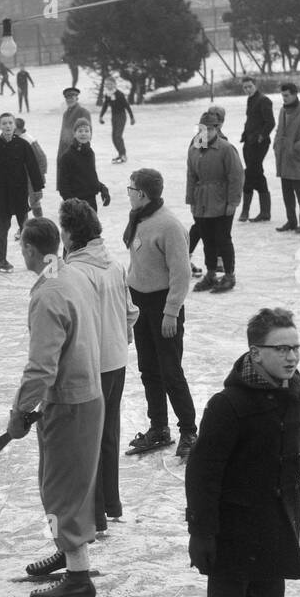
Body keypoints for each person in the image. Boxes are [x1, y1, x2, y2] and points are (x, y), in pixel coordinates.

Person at [185, 307, 300, 597]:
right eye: (281, 349)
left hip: (275, 528)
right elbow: (201, 474)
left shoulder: (294, 389)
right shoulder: (227, 405)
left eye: (296, 347)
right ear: (255, 353)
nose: (292, 356)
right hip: (232, 534)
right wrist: (201, 532)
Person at [6, 217, 103, 597]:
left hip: (68, 401)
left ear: (30, 250)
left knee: (61, 490)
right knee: (69, 484)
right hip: (88, 392)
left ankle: (78, 575)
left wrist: (18, 412)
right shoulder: (72, 273)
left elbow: (41, 368)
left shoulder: (48, 293)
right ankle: (68, 550)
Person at [60, 199, 137, 535]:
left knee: (85, 441)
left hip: (90, 364)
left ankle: (94, 513)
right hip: (116, 360)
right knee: (108, 434)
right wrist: (120, 337)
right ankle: (110, 503)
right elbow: (130, 311)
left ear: (70, 233)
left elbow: (72, 322)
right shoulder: (114, 264)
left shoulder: (75, 271)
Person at [123, 167, 196, 459]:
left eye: (130, 189)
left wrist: (171, 313)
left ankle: (189, 431)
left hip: (163, 306)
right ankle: (159, 427)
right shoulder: (140, 218)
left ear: (141, 193)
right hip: (141, 305)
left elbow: (182, 273)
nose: (127, 194)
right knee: (149, 370)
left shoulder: (169, 226)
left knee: (171, 372)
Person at [185, 109, 244, 295]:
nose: (206, 132)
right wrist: (191, 200)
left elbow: (236, 176)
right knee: (208, 240)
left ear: (217, 129)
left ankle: (229, 274)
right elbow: (191, 175)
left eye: (210, 129)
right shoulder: (195, 148)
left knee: (223, 239)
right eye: (203, 128)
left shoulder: (226, 148)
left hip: (221, 201)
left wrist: (232, 202)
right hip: (201, 202)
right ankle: (211, 273)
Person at [0, 113, 45, 272]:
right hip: (3, 191)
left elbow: (32, 167)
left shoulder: (23, 144)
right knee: (3, 226)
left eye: (10, 123)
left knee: (24, 227)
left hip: (19, 191)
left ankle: (33, 259)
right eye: (4, 123)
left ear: (14, 125)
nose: (8, 126)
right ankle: (1, 260)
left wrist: (38, 188)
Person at [273, 82, 300, 235]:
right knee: (287, 195)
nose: (284, 98)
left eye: (286, 95)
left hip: (297, 159)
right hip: (284, 159)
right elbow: (279, 129)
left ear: (295, 94)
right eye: (282, 95)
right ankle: (291, 221)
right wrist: (276, 144)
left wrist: (298, 146)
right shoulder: (282, 111)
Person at [239, 76, 275, 222]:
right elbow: (251, 120)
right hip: (248, 142)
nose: (247, 89)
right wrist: (245, 134)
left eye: (250, 86)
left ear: (255, 85)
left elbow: (270, 122)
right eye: (245, 87)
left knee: (250, 173)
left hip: (259, 144)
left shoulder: (264, 100)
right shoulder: (251, 99)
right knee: (257, 173)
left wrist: (260, 137)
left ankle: (245, 211)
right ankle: (264, 212)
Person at [56, 117, 111, 211]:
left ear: (90, 134)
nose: (83, 134)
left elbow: (90, 177)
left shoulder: (90, 153)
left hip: (91, 202)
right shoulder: (67, 156)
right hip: (76, 205)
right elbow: (63, 185)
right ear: (74, 133)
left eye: (86, 131)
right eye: (80, 131)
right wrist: (73, 204)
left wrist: (102, 188)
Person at [15, 118, 47, 218]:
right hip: (21, 176)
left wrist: (40, 175)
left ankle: (40, 222)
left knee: (34, 201)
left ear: (19, 129)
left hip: (32, 176)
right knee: (21, 201)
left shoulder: (28, 140)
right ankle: (23, 226)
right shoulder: (16, 138)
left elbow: (42, 158)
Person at [99, 80, 135, 164]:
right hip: (114, 117)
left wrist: (132, 117)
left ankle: (123, 155)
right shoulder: (108, 94)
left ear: (115, 85)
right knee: (114, 137)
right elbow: (105, 105)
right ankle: (120, 154)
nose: (109, 86)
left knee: (118, 135)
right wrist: (101, 116)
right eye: (107, 84)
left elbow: (127, 105)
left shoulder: (119, 94)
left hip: (121, 116)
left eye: (111, 84)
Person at [57, 87, 93, 166]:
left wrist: (81, 150)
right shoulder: (65, 114)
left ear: (77, 98)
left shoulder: (83, 112)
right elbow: (63, 135)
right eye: (67, 98)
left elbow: (87, 135)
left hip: (77, 151)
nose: (69, 100)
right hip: (65, 150)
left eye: (72, 97)